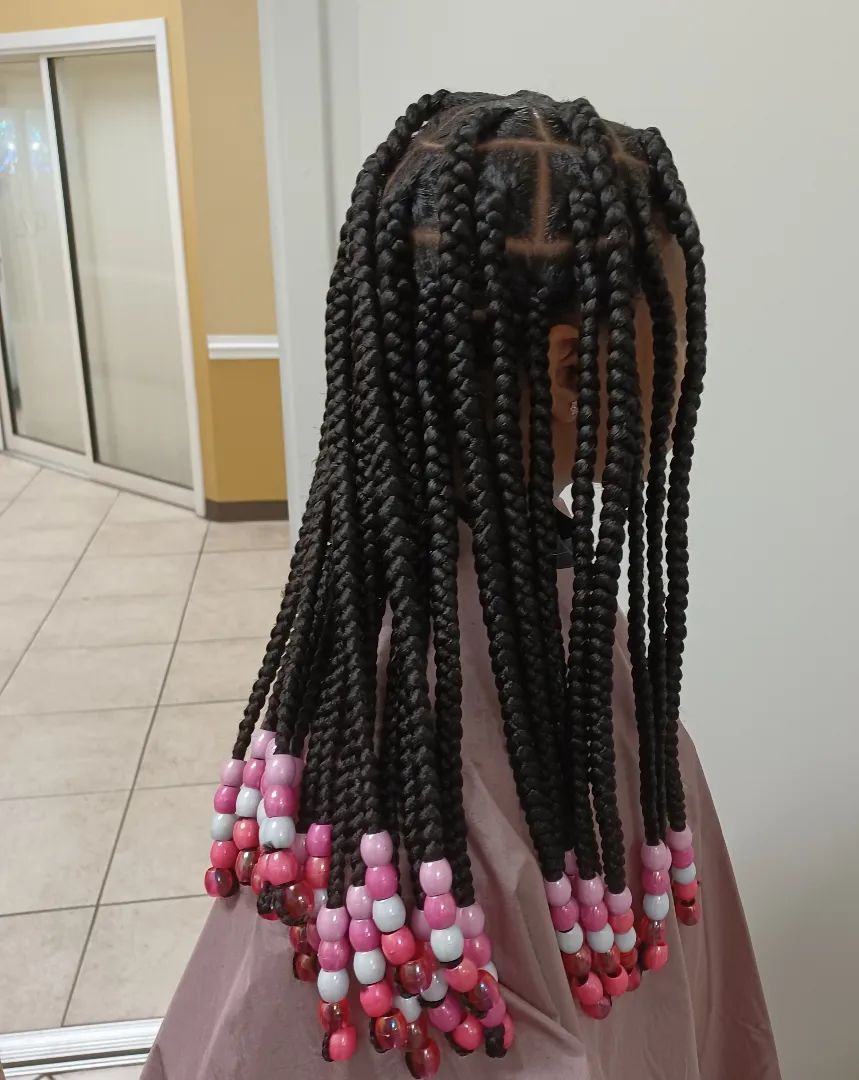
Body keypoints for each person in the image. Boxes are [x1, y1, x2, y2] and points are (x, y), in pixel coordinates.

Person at [144, 90, 780, 1079]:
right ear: (578, 365)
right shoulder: (494, 689)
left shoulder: (381, 632)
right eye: (672, 328)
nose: (685, 359)